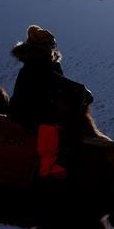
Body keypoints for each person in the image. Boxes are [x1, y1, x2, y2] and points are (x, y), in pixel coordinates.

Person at [9, 25, 93, 179]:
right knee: (48, 124)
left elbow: (55, 81)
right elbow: (52, 81)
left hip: (36, 106)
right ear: (40, 46)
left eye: (52, 44)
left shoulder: (43, 64)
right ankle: (47, 166)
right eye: (49, 44)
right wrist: (80, 90)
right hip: (27, 111)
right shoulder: (36, 65)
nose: (52, 48)